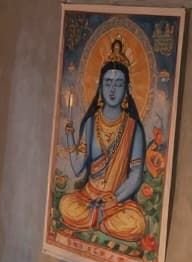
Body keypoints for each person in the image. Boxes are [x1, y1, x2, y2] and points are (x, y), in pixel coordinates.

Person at [58, 38, 148, 242]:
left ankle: (97, 219)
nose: (113, 90)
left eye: (119, 84)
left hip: (116, 202)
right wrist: (70, 136)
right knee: (66, 205)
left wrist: (114, 198)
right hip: (87, 197)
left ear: (126, 89)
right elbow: (77, 168)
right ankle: (98, 220)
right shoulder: (91, 123)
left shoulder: (133, 128)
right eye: (108, 83)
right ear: (100, 87)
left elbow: (136, 175)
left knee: (137, 223)